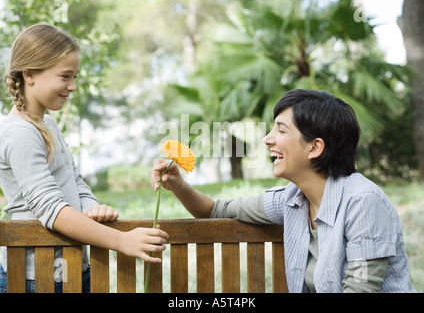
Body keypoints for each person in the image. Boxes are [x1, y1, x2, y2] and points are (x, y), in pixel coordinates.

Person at [151, 89, 416, 293]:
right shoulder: (291, 200)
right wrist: (177, 183)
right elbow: (213, 210)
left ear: (315, 148)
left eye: (281, 129)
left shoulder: (363, 202)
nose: (268, 139)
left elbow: (360, 289)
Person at [0, 23, 168, 293]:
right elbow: (51, 209)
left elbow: (74, 180)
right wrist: (121, 241)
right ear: (29, 74)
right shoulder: (18, 133)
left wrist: (91, 206)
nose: (73, 86)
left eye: (75, 76)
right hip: (36, 277)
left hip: (71, 269)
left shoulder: (47, 125)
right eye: (65, 76)